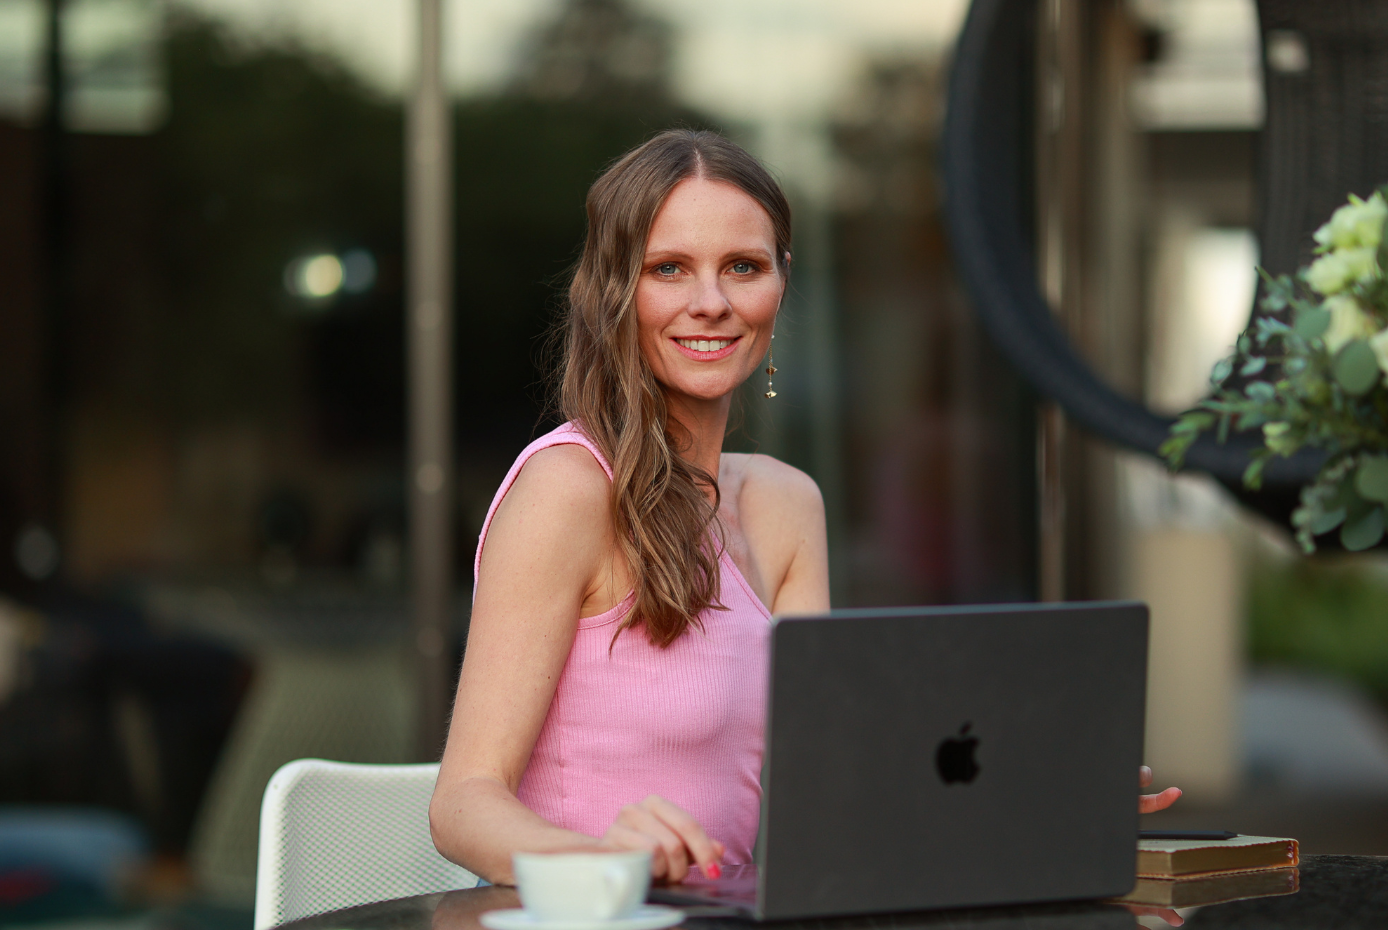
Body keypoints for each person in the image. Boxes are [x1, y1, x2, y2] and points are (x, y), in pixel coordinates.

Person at [430, 130, 1181, 887]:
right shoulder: (568, 489)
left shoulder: (786, 504)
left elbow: (829, 784)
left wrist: (1031, 789)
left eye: (743, 267)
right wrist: (603, 864)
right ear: (612, 290)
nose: (712, 303)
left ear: (782, 281)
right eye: (669, 269)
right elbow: (463, 803)